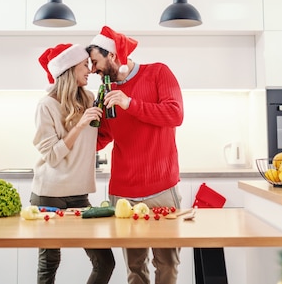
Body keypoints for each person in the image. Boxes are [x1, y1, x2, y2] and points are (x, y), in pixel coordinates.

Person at [87, 26, 184, 284]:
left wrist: (130, 103)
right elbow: (102, 139)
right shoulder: (106, 93)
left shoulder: (158, 73)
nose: (93, 69)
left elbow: (175, 114)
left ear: (113, 56)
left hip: (162, 187)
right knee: (135, 269)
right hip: (124, 194)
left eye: (96, 62)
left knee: (167, 264)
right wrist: (81, 125)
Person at [31, 43, 115, 284]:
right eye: (83, 66)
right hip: (49, 196)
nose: (90, 70)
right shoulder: (46, 105)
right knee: (49, 264)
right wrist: (79, 125)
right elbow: (53, 156)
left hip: (79, 195)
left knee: (105, 262)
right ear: (69, 70)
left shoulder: (89, 98)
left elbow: (98, 138)